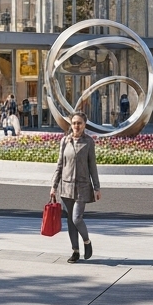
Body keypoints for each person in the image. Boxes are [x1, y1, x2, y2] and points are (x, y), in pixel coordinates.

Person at [49, 111, 101, 263]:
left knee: (77, 219)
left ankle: (87, 242)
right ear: (70, 125)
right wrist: (54, 186)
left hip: (83, 186)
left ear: (84, 125)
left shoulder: (89, 142)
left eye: (79, 123)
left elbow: (93, 167)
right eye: (74, 123)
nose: (76, 126)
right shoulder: (65, 141)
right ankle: (75, 251)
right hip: (66, 187)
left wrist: (97, 188)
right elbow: (60, 165)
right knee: (70, 221)